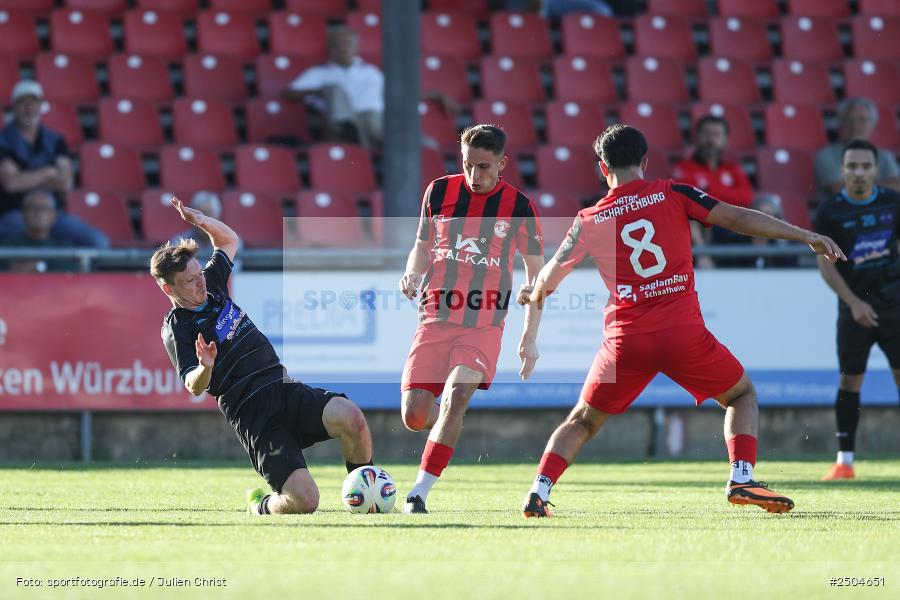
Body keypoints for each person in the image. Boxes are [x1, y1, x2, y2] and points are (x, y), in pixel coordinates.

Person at [518, 124, 845, 517]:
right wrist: (802, 234)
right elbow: (738, 219)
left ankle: (539, 490)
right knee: (740, 396)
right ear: (645, 161)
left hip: (626, 341)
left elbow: (548, 278)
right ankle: (741, 476)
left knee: (583, 421)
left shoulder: (588, 219)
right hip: (682, 333)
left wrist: (532, 292)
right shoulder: (673, 193)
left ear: (602, 167)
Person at [153, 197, 374, 515]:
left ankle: (366, 497)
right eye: (190, 280)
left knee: (352, 419)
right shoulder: (177, 327)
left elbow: (229, 241)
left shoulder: (212, 285)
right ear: (167, 289)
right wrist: (205, 367)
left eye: (199, 273)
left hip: (282, 387)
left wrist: (201, 220)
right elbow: (193, 385)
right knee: (306, 502)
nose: (200, 282)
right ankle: (263, 504)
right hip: (253, 414)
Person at [398, 124, 545, 514]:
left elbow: (537, 278)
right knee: (415, 416)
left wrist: (529, 337)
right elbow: (421, 244)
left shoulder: (519, 208)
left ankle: (419, 492)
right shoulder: (439, 191)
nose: (474, 176)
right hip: (435, 317)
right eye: (468, 165)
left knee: (456, 396)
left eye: (484, 167)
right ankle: (448, 421)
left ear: (503, 163)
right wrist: (413, 271)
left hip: (484, 322)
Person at [814, 139, 900, 481]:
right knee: (850, 381)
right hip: (854, 307)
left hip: (894, 305)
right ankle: (844, 462)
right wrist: (854, 303)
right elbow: (826, 266)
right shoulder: (830, 211)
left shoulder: (894, 204)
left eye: (866, 166)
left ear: (876, 170)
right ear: (843, 170)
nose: (859, 173)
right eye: (852, 167)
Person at [0, 80, 108, 248]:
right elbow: (11, 183)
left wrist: (24, 176)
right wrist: (48, 173)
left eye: (33, 103)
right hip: (17, 213)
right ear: (14, 107)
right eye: (23, 103)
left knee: (97, 243)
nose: (28, 108)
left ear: (40, 106)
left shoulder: (56, 140)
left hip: (53, 214)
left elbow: (65, 183)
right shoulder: (3, 140)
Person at [672, 115, 754, 268]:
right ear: (697, 138)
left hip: (733, 224)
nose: (711, 140)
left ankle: (761, 262)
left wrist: (708, 189)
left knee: (765, 209)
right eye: (706, 134)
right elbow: (687, 199)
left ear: (726, 140)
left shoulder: (733, 169)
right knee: (690, 218)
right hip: (707, 225)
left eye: (716, 135)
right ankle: (705, 258)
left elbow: (746, 197)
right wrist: (726, 194)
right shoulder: (684, 168)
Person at [284, 27, 384, 149]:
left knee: (374, 120)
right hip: (338, 130)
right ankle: (347, 129)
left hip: (373, 122)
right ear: (330, 48)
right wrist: (319, 92)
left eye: (346, 44)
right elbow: (289, 93)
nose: (342, 48)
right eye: (337, 44)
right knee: (333, 88)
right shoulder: (320, 73)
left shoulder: (372, 72)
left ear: (356, 47)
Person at [815, 97, 900, 200]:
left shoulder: (884, 156)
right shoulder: (826, 155)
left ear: (873, 125)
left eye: (862, 120)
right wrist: (883, 186)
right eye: (849, 120)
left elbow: (897, 187)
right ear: (841, 123)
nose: (855, 126)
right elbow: (839, 190)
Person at [0, 188, 79, 272]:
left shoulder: (65, 250)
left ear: (54, 215)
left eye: (44, 208)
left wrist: (38, 266)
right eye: (33, 207)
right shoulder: (6, 247)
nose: (38, 213)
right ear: (23, 214)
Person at [168, 191, 241, 272]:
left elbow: (232, 272)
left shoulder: (231, 241)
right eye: (198, 216)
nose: (202, 220)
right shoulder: (179, 242)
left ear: (217, 217)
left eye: (208, 214)